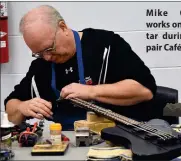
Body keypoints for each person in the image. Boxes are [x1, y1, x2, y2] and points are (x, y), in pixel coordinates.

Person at [5, 5, 157, 130]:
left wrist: (91, 91)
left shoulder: (105, 45)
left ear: (63, 27)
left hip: (118, 136)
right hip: (68, 144)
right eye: (39, 53)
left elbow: (145, 91)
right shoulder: (41, 66)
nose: (47, 57)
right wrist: (23, 106)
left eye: (49, 49)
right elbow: (11, 106)